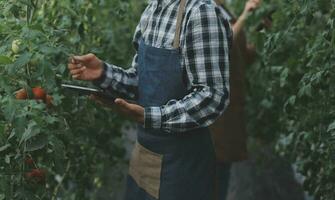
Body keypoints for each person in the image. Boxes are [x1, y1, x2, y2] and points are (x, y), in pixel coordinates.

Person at [68, 0, 232, 199]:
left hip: (181, 164)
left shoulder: (200, 13)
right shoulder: (152, 10)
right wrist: (103, 73)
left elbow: (213, 96)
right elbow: (141, 80)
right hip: (144, 155)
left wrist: (150, 116)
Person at [210, 0, 261, 199]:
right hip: (216, 110)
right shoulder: (205, 11)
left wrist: (260, 30)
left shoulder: (224, 12)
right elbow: (223, 42)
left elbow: (244, 56)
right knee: (215, 165)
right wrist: (245, 15)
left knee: (223, 165)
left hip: (230, 107)